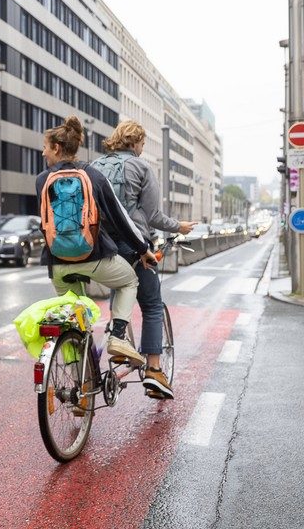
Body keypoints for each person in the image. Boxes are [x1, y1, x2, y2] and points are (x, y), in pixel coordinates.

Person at [36, 116, 157, 366]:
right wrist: (142, 249)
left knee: (74, 322)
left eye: (45, 147)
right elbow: (120, 218)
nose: (43, 151)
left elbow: (45, 223)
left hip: (57, 264)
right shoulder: (93, 175)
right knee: (129, 282)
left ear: (57, 148)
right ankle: (117, 337)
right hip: (93, 258)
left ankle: (81, 392)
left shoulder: (41, 179)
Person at [92, 120, 197, 399]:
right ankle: (154, 370)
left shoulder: (94, 167)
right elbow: (153, 217)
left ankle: (119, 347)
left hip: (101, 247)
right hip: (134, 246)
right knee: (151, 305)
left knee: (119, 292)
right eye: (142, 143)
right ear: (136, 142)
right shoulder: (141, 168)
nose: (141, 148)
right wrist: (180, 227)